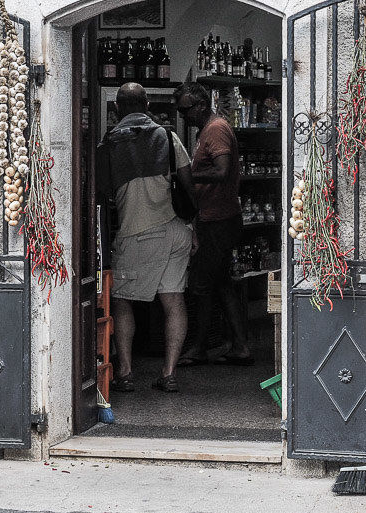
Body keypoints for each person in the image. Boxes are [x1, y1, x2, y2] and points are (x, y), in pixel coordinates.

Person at [96, 83, 195, 393]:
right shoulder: (168, 136)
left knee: (122, 301)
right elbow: (189, 187)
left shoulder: (110, 144)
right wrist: (195, 229)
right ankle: (168, 374)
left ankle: (124, 372)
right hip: (176, 231)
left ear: (116, 109)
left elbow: (99, 195)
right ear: (149, 104)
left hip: (136, 233)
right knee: (173, 300)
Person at [175, 85, 251, 366]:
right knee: (221, 284)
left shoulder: (216, 129)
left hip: (219, 219)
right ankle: (240, 347)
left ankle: (198, 348)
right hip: (216, 216)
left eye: (186, 109)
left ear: (203, 105)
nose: (183, 116)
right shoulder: (206, 130)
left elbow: (221, 170)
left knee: (201, 284)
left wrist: (187, 175)